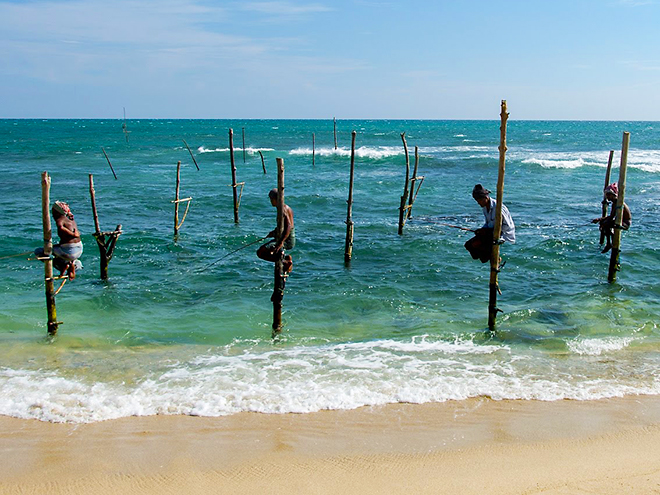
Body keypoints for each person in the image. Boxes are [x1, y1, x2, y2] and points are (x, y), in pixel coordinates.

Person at [464, 184, 515, 263]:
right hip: (490, 231)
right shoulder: (485, 207)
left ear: (486, 198)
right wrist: (482, 230)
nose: (478, 203)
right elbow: (488, 223)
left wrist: (499, 237)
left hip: (501, 233)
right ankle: (489, 256)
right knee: (468, 245)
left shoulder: (498, 208)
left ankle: (494, 257)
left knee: (476, 244)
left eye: (479, 200)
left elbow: (507, 226)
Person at [35, 201, 83, 280]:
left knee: (39, 251)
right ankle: (71, 264)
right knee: (56, 248)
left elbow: (61, 227)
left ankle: (63, 267)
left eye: (53, 211)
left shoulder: (60, 219)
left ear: (57, 212)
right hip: (79, 249)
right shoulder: (71, 220)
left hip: (68, 251)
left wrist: (73, 234)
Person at [256, 188, 295, 273]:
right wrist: (274, 232)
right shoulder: (286, 207)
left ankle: (285, 262)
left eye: (271, 199)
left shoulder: (283, 209)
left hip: (287, 240)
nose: (271, 201)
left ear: (276, 199)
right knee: (268, 251)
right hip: (285, 237)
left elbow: (288, 227)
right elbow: (283, 226)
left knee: (261, 252)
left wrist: (281, 242)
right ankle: (285, 259)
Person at [592, 182, 631, 253]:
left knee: (606, 224)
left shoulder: (618, 203)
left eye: (608, 195)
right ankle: (609, 242)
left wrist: (602, 222)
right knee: (604, 223)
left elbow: (611, 217)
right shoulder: (614, 203)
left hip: (625, 223)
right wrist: (599, 220)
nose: (607, 197)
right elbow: (611, 216)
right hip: (619, 220)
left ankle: (610, 243)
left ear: (613, 195)